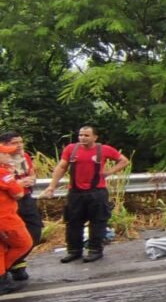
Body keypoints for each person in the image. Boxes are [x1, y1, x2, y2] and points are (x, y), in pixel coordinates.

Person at [41, 126, 130, 263]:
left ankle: (95, 250)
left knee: (97, 222)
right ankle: (74, 251)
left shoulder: (104, 149)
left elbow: (124, 160)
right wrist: (52, 186)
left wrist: (109, 172)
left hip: (97, 192)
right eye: (81, 135)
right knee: (73, 223)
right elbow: (61, 167)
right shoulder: (71, 149)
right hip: (76, 193)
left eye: (86, 135)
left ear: (95, 137)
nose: (82, 137)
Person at [0, 131, 43, 281]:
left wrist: (31, 180)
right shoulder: (2, 161)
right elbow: (9, 185)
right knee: (13, 238)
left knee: (34, 231)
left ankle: (16, 262)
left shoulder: (24, 157)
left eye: (20, 142)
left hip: (26, 199)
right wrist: (17, 184)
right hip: (8, 204)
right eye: (14, 143)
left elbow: (31, 174)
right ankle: (7, 269)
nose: (19, 146)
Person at [0, 143, 34, 293]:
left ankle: (2, 279)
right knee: (24, 243)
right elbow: (18, 194)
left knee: (1, 248)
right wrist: (18, 182)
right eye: (5, 154)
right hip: (6, 217)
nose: (9, 156)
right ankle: (2, 275)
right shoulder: (3, 173)